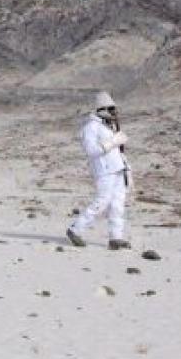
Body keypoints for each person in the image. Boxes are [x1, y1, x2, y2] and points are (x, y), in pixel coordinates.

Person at [66, 91, 132, 250]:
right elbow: (91, 150)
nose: (113, 112)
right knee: (102, 201)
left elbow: (117, 152)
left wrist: (127, 169)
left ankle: (115, 238)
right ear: (100, 109)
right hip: (104, 171)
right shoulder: (91, 127)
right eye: (110, 109)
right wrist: (113, 141)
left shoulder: (107, 126)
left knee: (117, 204)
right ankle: (75, 229)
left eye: (114, 109)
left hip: (118, 169)